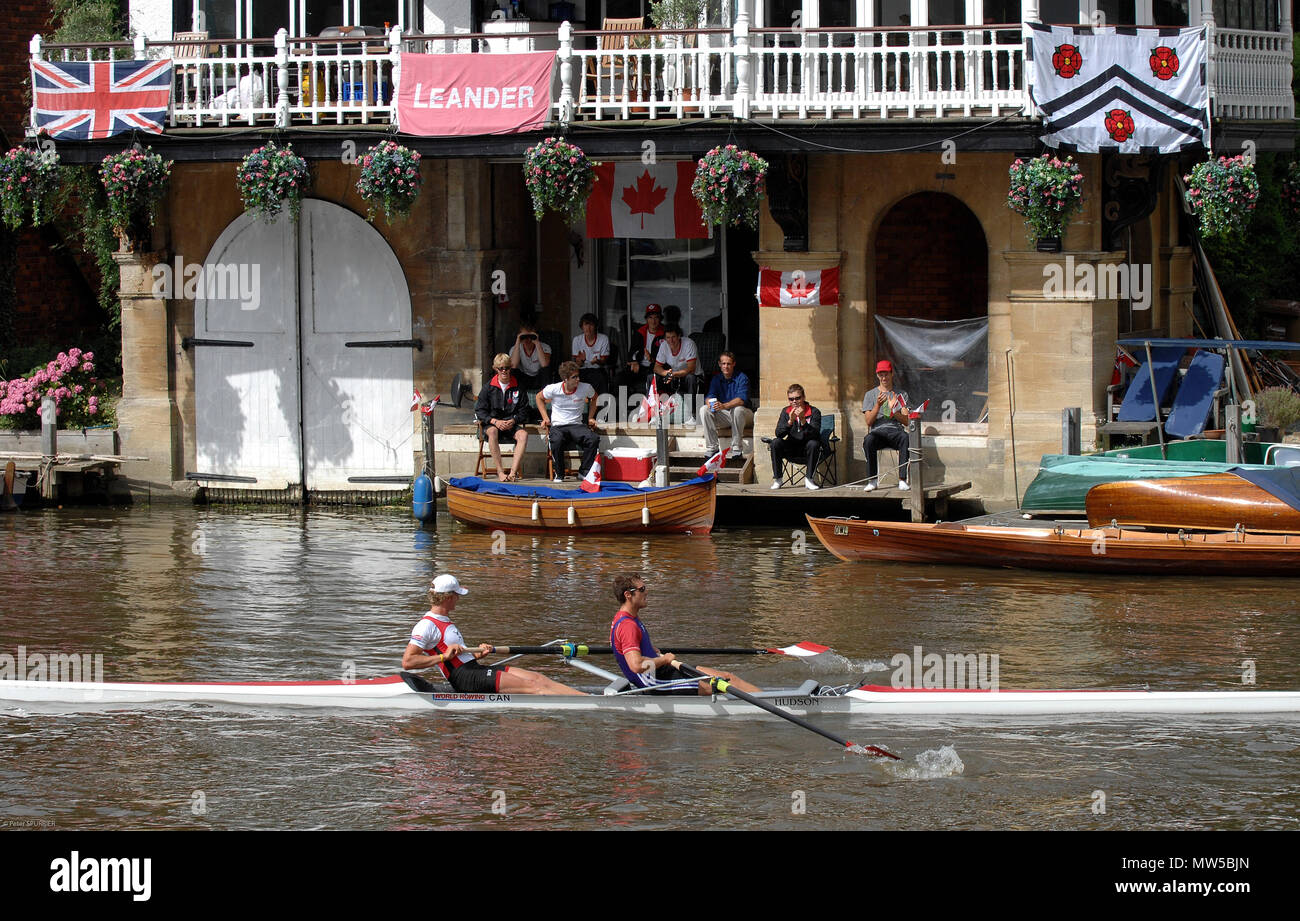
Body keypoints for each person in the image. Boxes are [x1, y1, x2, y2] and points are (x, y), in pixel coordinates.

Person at [402, 574, 585, 696]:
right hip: (465, 679)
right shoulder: (426, 625)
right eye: (457, 595)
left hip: (473, 669)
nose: (459, 599)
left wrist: (477, 654)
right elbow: (408, 662)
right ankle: (592, 704)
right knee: (534, 687)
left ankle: (586, 698)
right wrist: (442, 657)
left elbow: (459, 657)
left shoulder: (445, 621)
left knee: (536, 678)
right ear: (449, 598)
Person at [609, 573, 761, 696]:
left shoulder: (626, 617)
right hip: (654, 681)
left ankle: (773, 699)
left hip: (661, 671)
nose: (646, 592)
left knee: (728, 677)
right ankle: (775, 705)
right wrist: (665, 659)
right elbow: (636, 665)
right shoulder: (627, 625)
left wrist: (650, 649)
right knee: (723, 685)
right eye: (642, 589)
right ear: (628, 595)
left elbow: (630, 646)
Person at [537, 360, 600, 482]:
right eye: (574, 377)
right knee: (556, 440)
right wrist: (545, 417)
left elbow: (595, 398)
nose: (578, 379)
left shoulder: (585, 387)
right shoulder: (553, 389)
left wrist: (591, 417)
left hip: (576, 425)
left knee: (593, 439)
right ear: (565, 379)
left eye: (578, 376)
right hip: (558, 425)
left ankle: (584, 471)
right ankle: (559, 474)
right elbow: (539, 398)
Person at [474, 353, 530, 481]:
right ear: (495, 369)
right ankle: (500, 472)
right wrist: (494, 421)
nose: (504, 371)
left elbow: (524, 410)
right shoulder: (488, 387)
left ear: (511, 368)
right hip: (492, 423)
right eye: (501, 368)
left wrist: (514, 420)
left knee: (524, 435)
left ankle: (512, 473)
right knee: (493, 432)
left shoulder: (519, 386)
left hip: (511, 423)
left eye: (507, 368)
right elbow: (480, 411)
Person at [861, 359, 912, 491]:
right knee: (868, 440)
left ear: (891, 374)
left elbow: (907, 421)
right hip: (878, 432)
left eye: (886, 374)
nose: (884, 377)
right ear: (877, 375)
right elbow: (868, 421)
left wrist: (894, 410)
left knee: (905, 438)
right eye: (881, 374)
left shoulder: (901, 394)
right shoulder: (870, 395)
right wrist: (877, 405)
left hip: (895, 431)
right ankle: (872, 480)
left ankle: (902, 479)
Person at [769, 383, 823, 491]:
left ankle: (809, 479)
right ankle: (778, 479)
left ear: (803, 398)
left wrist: (803, 420)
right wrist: (790, 421)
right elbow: (779, 433)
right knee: (775, 442)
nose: (794, 401)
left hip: (807, 448)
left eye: (797, 398)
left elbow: (815, 435)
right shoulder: (786, 411)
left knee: (814, 443)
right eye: (791, 399)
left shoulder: (814, 412)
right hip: (791, 447)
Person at [700, 351, 752, 457]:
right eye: (723, 363)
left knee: (737, 409)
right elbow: (709, 396)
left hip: (745, 416)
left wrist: (724, 406)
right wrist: (710, 403)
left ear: (734, 364)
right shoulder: (716, 379)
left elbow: (741, 400)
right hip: (727, 416)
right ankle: (712, 447)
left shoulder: (742, 377)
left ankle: (736, 446)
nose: (726, 366)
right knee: (704, 409)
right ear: (719, 364)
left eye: (728, 363)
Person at [620, 303, 666, 395]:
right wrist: (634, 361)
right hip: (640, 367)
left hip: (656, 367)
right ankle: (624, 406)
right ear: (646, 319)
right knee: (621, 378)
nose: (653, 321)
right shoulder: (640, 332)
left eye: (656, 317)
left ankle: (652, 406)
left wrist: (652, 359)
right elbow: (632, 351)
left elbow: (667, 355)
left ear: (660, 319)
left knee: (653, 380)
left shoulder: (665, 333)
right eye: (650, 318)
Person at [571, 312, 611, 395]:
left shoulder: (603, 339)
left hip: (598, 369)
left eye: (591, 325)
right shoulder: (577, 340)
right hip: (582, 370)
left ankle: (600, 405)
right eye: (586, 325)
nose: (588, 328)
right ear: (582, 326)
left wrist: (597, 361)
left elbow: (604, 361)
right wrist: (581, 360)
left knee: (600, 377)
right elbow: (577, 364)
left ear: (595, 326)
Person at [510, 317, 552, 393]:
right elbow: (513, 365)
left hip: (538, 377)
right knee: (513, 370)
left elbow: (545, 364)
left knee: (546, 370)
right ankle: (516, 395)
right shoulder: (515, 349)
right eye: (524, 337)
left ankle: (546, 395)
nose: (528, 339)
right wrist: (518, 341)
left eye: (530, 336)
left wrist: (537, 342)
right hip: (524, 378)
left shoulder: (544, 347)